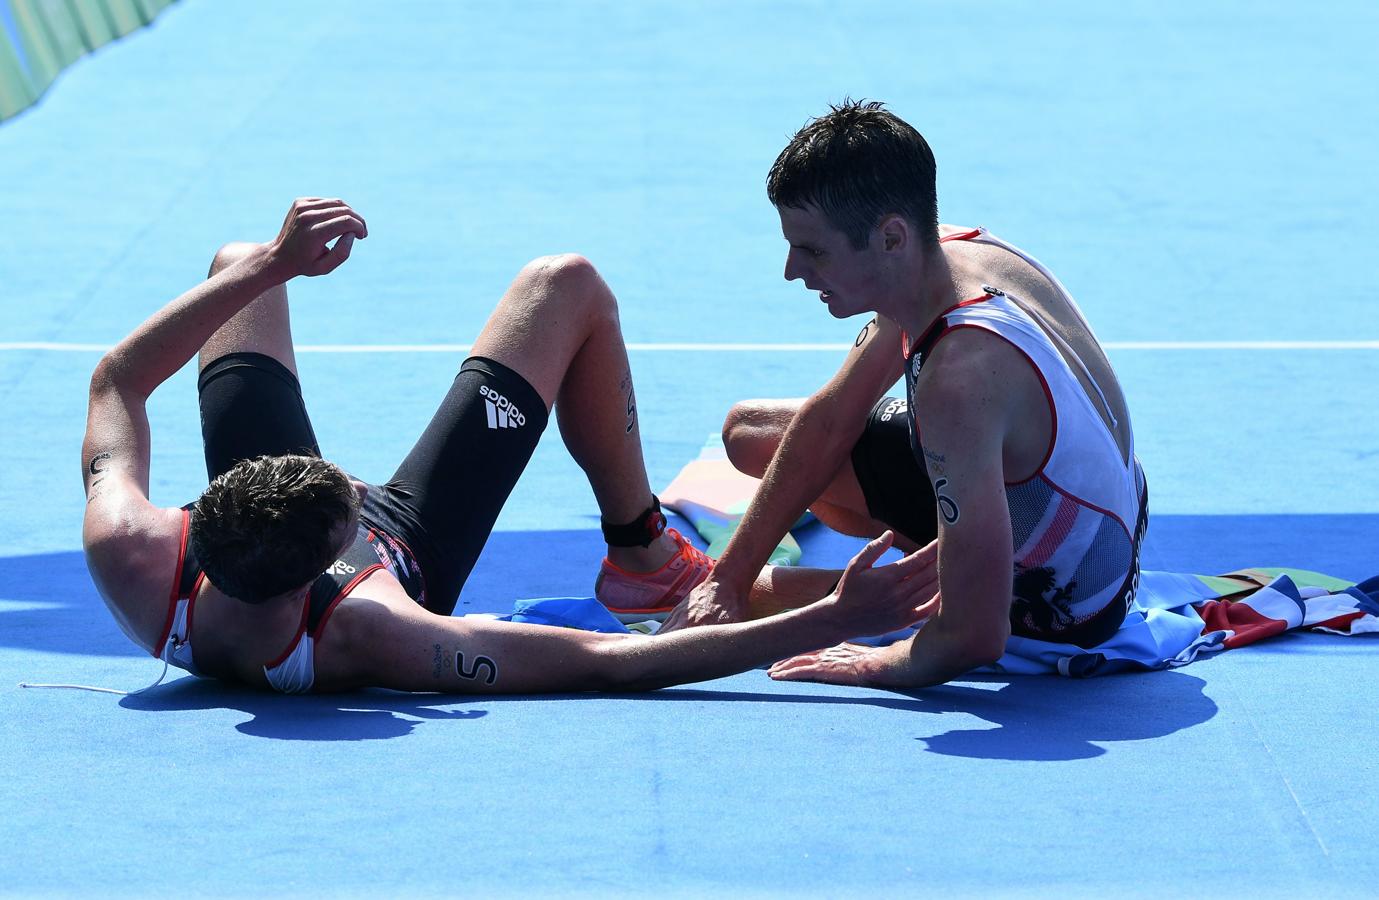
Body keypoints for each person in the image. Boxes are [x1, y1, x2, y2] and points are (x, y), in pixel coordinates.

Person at [80, 197, 939, 694]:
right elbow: (610, 665)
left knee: (234, 261)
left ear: (210, 508)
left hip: (268, 545)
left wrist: (273, 263)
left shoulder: (131, 549)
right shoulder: (377, 630)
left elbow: (116, 381)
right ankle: (643, 555)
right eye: (346, 492)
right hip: (406, 540)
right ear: (341, 549)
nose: (349, 472)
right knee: (565, 286)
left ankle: (255, 265)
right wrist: (835, 617)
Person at [663, 100, 1149, 689]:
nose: (791, 271)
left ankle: (931, 567)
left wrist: (878, 659)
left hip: (1071, 601)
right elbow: (827, 422)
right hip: (1095, 518)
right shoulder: (943, 253)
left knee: (762, 601)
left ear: (891, 237)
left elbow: (974, 637)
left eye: (812, 249)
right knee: (751, 434)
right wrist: (726, 578)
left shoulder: (960, 380)